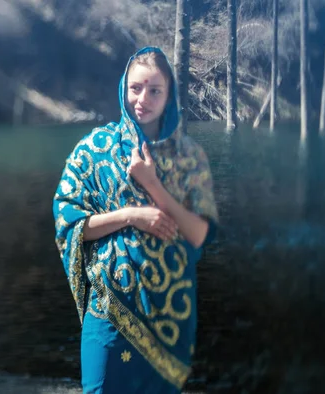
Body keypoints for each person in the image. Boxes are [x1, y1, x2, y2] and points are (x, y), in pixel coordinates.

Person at [52, 46, 219, 393]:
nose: (142, 99)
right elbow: (69, 223)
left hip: (169, 315)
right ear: (123, 88)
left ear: (170, 94)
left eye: (155, 90)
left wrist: (152, 184)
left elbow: (198, 234)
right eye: (135, 88)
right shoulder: (93, 149)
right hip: (109, 309)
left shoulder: (189, 157)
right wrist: (130, 216)